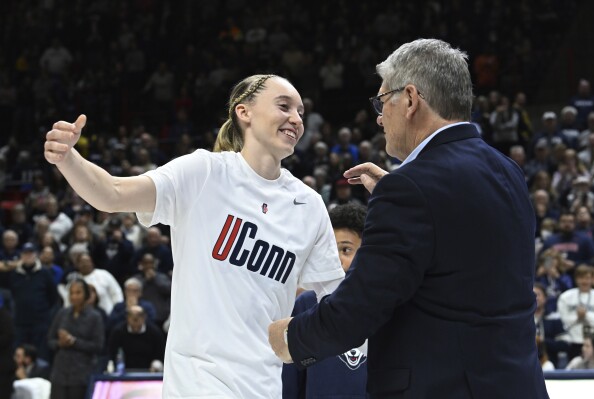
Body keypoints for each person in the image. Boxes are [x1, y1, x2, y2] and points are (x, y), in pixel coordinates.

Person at [268, 38, 549, 398]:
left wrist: (288, 338)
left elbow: (356, 311)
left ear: (412, 99)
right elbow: (465, 264)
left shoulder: (412, 190)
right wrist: (402, 194)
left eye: (382, 101)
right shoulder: (506, 169)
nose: (379, 116)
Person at [44, 74, 345, 398]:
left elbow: (339, 300)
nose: (296, 119)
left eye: (301, 111)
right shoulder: (205, 173)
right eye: (284, 106)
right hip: (197, 384)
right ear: (244, 112)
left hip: (264, 388)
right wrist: (68, 158)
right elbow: (113, 193)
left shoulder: (308, 205)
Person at [282, 203, 368, 398]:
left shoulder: (385, 305)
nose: (336, 259)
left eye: (346, 250)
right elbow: (290, 380)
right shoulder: (305, 304)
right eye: (331, 250)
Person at [47, 277, 104, 399]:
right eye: (71, 293)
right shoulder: (62, 314)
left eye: (78, 293)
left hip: (81, 373)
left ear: (86, 294)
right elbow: (50, 341)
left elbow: (98, 346)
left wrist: (74, 342)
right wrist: (59, 344)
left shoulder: (95, 317)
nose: (74, 296)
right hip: (60, 372)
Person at [107, 305, 165, 371]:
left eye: (138, 317)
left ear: (144, 318)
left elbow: (160, 355)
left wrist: (156, 365)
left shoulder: (155, 333)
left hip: (149, 371)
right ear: (127, 318)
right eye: (132, 318)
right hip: (123, 372)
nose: (135, 321)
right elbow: (112, 354)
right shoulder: (118, 332)